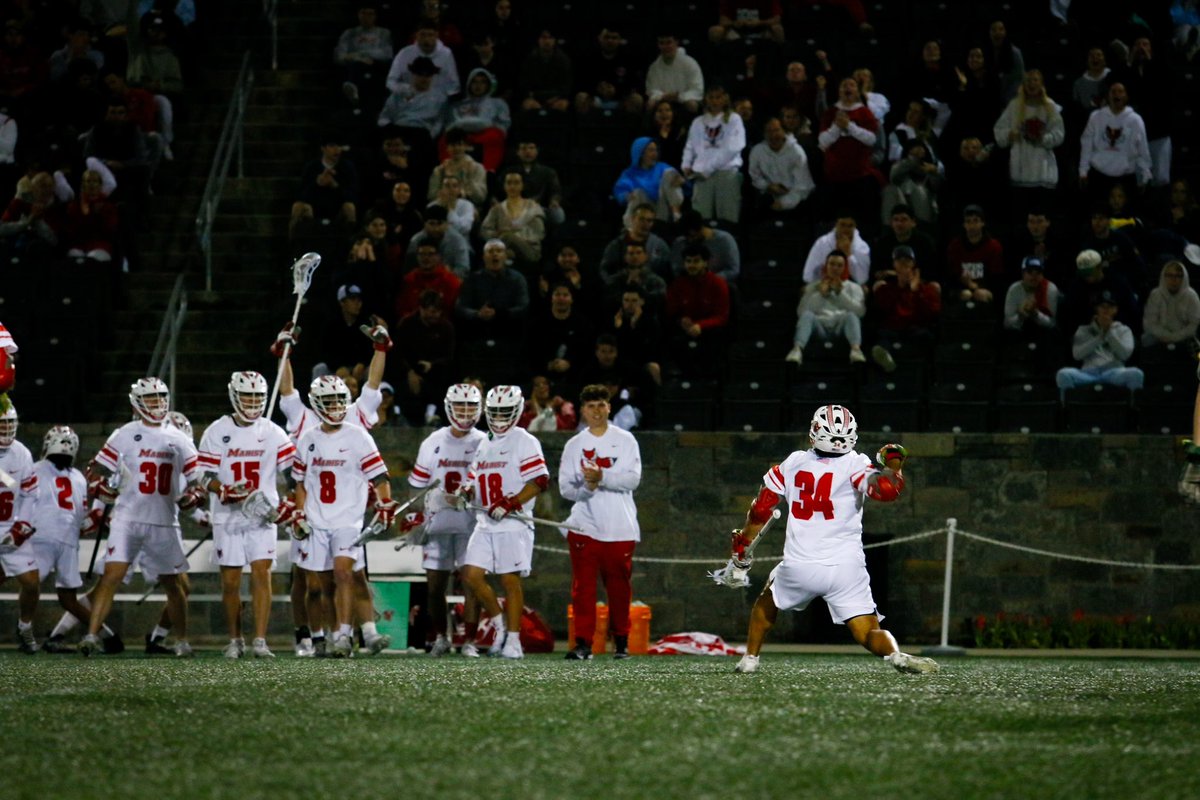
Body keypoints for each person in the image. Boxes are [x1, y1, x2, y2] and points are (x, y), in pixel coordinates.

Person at [730, 406, 938, 675]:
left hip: (800, 564)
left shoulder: (793, 463)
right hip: (845, 568)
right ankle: (894, 654)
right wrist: (894, 463)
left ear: (816, 431)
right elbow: (887, 490)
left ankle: (750, 659)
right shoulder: (856, 464)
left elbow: (761, 510)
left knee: (766, 602)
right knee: (868, 631)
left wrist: (742, 546)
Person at [79, 379, 203, 657]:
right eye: (150, 399)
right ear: (137, 403)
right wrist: (100, 485)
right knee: (111, 577)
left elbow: (199, 480)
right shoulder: (125, 433)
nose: (156, 404)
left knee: (175, 585)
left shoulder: (179, 437)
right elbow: (96, 468)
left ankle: (181, 640)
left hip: (163, 519)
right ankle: (90, 635)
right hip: (127, 518)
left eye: (160, 398)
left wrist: (194, 497)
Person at [290, 375, 397, 657]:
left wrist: (385, 503)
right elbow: (299, 482)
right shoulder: (308, 438)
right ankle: (329, 635)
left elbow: (381, 476)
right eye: (329, 400)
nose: (336, 405)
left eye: (339, 399)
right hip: (316, 521)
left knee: (344, 573)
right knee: (324, 585)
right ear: (317, 403)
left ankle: (345, 637)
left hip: (348, 521)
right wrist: (300, 513)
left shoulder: (358, 436)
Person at [197, 372, 296, 659]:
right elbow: (202, 475)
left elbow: (293, 473)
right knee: (230, 581)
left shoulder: (274, 432)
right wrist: (222, 489)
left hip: (262, 514)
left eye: (257, 397)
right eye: (247, 396)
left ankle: (261, 640)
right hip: (227, 515)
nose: (252, 402)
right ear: (234, 396)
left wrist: (290, 502)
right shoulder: (217, 431)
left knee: (262, 574)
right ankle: (235, 638)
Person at [455, 386, 551, 659]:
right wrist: (465, 491)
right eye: (495, 412)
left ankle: (514, 641)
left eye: (504, 412)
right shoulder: (485, 442)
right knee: (471, 575)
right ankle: (499, 623)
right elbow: (474, 478)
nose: (498, 417)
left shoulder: (524, 440)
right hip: (485, 521)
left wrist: (511, 502)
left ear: (517, 411)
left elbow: (539, 481)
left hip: (513, 522)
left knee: (509, 580)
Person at [558, 384, 642, 660]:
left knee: (619, 587)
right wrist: (587, 488)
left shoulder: (626, 440)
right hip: (585, 525)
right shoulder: (574, 445)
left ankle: (621, 641)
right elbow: (565, 489)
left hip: (620, 526)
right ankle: (583, 643)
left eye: (601, 405)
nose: (596, 411)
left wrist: (602, 477)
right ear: (583, 410)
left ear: (609, 407)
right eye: (590, 406)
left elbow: (633, 479)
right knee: (582, 587)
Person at [405, 384, 487, 656]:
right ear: (449, 407)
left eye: (470, 406)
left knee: (472, 582)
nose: (465, 412)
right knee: (435, 585)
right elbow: (417, 485)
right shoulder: (433, 441)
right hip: (438, 523)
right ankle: (440, 636)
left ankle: (471, 640)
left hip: (471, 523)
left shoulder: (484, 441)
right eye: (460, 406)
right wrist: (414, 518)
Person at [28, 427, 99, 654]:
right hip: (67, 539)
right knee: (68, 597)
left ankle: (24, 630)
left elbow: (16, 491)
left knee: (31, 584)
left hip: (42, 535)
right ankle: (103, 635)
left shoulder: (35, 469)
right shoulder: (78, 477)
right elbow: (83, 519)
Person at [992, 69, 1064, 214]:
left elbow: (1059, 134)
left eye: (1035, 80)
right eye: (1028, 80)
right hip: (1021, 169)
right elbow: (999, 130)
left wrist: (1043, 138)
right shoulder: (1014, 106)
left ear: (1041, 83)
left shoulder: (1050, 107)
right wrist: (1010, 135)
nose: (1032, 84)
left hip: (1042, 170)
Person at [0, 405, 40, 653]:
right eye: (2, 424)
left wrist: (21, 526)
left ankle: (25, 626)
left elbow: (29, 493)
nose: (6, 429)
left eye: (9, 424)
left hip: (11, 524)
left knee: (31, 582)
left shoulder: (21, 453)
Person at [1056, 292, 1144, 397]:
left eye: (1110, 306)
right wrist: (1100, 337)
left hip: (1114, 372)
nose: (1106, 310)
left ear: (1115, 310)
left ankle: (1132, 410)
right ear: (1096, 309)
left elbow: (1125, 355)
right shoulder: (1084, 330)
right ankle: (1067, 410)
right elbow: (1077, 355)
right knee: (1063, 374)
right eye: (1102, 306)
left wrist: (1109, 333)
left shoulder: (1124, 330)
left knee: (1136, 374)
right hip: (1088, 373)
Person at [786, 250, 867, 365]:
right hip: (819, 328)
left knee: (851, 316)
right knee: (807, 316)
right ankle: (797, 350)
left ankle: (856, 350)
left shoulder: (854, 287)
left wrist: (840, 294)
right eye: (832, 264)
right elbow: (801, 312)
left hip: (841, 328)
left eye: (839, 265)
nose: (835, 268)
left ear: (845, 268)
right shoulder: (813, 286)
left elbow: (860, 312)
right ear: (826, 266)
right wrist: (820, 294)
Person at [682, 85, 746, 224]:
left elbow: (733, 148)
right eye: (711, 97)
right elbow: (690, 145)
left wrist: (709, 168)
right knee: (701, 218)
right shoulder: (698, 122)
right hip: (702, 176)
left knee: (727, 218)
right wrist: (686, 164)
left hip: (726, 173)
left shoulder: (734, 119)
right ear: (706, 99)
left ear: (725, 98)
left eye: (718, 97)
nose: (715, 101)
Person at [870, 249, 942, 371]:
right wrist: (901, 287)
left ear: (913, 264)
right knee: (883, 338)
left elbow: (933, 312)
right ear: (894, 265)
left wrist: (916, 292)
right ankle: (886, 359)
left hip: (916, 327)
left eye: (907, 261)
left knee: (926, 337)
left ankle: (925, 371)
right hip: (892, 328)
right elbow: (882, 308)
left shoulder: (926, 289)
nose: (903, 265)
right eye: (899, 261)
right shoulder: (886, 288)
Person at [1078, 82, 1151, 202]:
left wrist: (1145, 174)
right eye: (1113, 92)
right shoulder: (1096, 117)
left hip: (1125, 177)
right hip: (1099, 175)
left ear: (1126, 96)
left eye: (1120, 91)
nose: (1117, 95)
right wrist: (1083, 171)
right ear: (1108, 95)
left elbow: (1142, 148)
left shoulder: (1135, 120)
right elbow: (1086, 145)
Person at [665, 243, 731, 377]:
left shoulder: (718, 284)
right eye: (688, 261)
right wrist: (680, 320)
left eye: (696, 261)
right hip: (685, 330)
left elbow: (722, 316)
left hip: (710, 331)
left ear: (706, 263)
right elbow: (670, 310)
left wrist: (701, 325)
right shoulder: (678, 284)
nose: (691, 265)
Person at [394, 289, 456, 427]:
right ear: (421, 309)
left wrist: (432, 364)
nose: (434, 315)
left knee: (446, 375)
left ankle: (432, 414)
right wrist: (409, 372)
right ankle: (398, 416)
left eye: (436, 311)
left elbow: (449, 356)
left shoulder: (446, 328)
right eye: (430, 311)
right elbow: (398, 353)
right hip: (409, 370)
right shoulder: (407, 324)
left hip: (435, 372)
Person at [455, 238, 530, 344]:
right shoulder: (472, 279)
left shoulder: (517, 279)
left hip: (508, 330)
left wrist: (499, 314)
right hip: (478, 330)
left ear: (505, 257)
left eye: (499, 251)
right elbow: (461, 307)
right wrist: (477, 314)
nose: (495, 254)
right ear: (484, 257)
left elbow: (523, 306)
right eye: (490, 251)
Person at [443, 67, 510, 172]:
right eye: (474, 82)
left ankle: (488, 170)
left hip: (485, 135)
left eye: (482, 82)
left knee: (495, 135)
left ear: (488, 84)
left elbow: (503, 125)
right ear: (469, 84)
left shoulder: (497, 103)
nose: (478, 86)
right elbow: (450, 125)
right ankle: (448, 169)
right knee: (445, 139)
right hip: (463, 136)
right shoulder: (458, 105)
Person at [748, 116, 815, 215]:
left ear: (784, 131)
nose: (773, 135)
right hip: (768, 201)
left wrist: (784, 203)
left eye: (776, 130)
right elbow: (755, 177)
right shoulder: (757, 151)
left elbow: (804, 186)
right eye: (769, 131)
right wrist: (768, 186)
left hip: (795, 203)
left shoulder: (796, 152)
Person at [480, 170, 546, 268]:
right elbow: (484, 230)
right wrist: (496, 233)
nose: (512, 186)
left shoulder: (533, 207)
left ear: (522, 185)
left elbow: (538, 233)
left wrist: (512, 236)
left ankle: (503, 256)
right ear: (504, 186)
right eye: (509, 183)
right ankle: (506, 256)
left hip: (529, 249)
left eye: (516, 183)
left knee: (506, 237)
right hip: (502, 247)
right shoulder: (497, 209)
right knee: (502, 241)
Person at [613, 137, 684, 226]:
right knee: (638, 193)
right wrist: (626, 196)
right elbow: (620, 190)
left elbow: (681, 183)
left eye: (656, 150)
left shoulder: (662, 167)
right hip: (643, 210)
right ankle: (631, 229)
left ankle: (677, 215)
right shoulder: (629, 173)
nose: (655, 154)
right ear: (641, 153)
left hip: (663, 210)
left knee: (670, 173)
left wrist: (681, 181)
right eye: (651, 150)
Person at [334, 2, 394, 107]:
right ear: (358, 15)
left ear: (375, 16)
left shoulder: (384, 33)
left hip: (376, 67)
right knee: (356, 67)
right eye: (363, 13)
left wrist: (362, 54)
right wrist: (358, 58)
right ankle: (353, 91)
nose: (366, 17)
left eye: (370, 14)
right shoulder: (349, 33)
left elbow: (388, 54)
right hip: (354, 67)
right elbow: (339, 56)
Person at [947, 204, 1005, 304]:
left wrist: (975, 286)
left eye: (976, 221)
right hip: (962, 289)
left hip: (985, 288)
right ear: (964, 225)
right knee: (966, 294)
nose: (972, 225)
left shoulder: (994, 246)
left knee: (981, 295)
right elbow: (952, 275)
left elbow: (997, 278)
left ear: (982, 223)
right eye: (968, 221)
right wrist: (966, 284)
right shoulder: (955, 246)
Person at [386, 19, 459, 98]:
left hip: (436, 104)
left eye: (430, 35)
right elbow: (391, 81)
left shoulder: (446, 54)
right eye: (422, 35)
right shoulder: (404, 53)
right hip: (409, 100)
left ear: (437, 35)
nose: (426, 39)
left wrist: (437, 96)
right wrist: (406, 90)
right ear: (416, 35)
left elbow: (454, 85)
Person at [1142, 260, 1200, 350]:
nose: (1174, 279)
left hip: (1185, 339)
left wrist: (1175, 337)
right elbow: (1150, 322)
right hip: (1158, 338)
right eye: (1169, 275)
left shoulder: (1192, 296)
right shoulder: (1155, 295)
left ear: (1184, 278)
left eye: (1178, 276)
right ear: (1163, 276)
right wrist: (1166, 335)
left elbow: (1194, 324)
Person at [669, 210, 741, 282]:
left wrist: (710, 280)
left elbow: (733, 269)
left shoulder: (724, 240)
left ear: (701, 228)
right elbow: (676, 269)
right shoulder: (681, 242)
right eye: (687, 237)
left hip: (717, 283)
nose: (690, 241)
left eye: (693, 236)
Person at [645, 32, 704, 114]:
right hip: (663, 103)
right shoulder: (654, 67)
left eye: (669, 42)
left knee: (692, 105)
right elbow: (651, 90)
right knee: (650, 103)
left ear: (676, 43)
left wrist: (679, 97)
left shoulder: (690, 63)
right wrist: (663, 96)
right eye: (662, 43)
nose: (665, 47)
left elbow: (697, 90)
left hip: (684, 102)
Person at [803, 215, 870, 285]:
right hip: (822, 285)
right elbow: (808, 275)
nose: (846, 229)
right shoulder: (822, 243)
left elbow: (862, 279)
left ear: (854, 227)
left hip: (850, 287)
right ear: (836, 225)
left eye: (850, 226)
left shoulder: (862, 247)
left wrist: (848, 255)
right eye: (842, 225)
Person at [405, 205, 470, 277]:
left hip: (449, 281)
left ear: (447, 224)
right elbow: (409, 268)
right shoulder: (416, 240)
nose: (436, 228)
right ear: (424, 224)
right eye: (432, 224)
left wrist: (444, 277)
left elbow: (463, 268)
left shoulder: (457, 241)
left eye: (439, 224)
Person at [1003, 256, 1060, 337]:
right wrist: (1021, 316)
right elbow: (1007, 325)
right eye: (1030, 272)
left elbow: (1052, 324)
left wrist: (1035, 313)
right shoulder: (1014, 289)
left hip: (1044, 336)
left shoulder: (1050, 289)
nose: (1034, 276)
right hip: (1019, 336)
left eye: (1038, 273)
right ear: (1022, 274)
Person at [518, 28, 572, 113]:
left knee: (562, 105)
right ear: (538, 40)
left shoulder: (563, 60)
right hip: (535, 97)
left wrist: (556, 98)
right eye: (544, 38)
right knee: (528, 105)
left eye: (550, 38)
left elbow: (567, 85)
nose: (547, 41)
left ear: (554, 40)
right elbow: (524, 83)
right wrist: (531, 97)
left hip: (556, 97)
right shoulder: (530, 59)